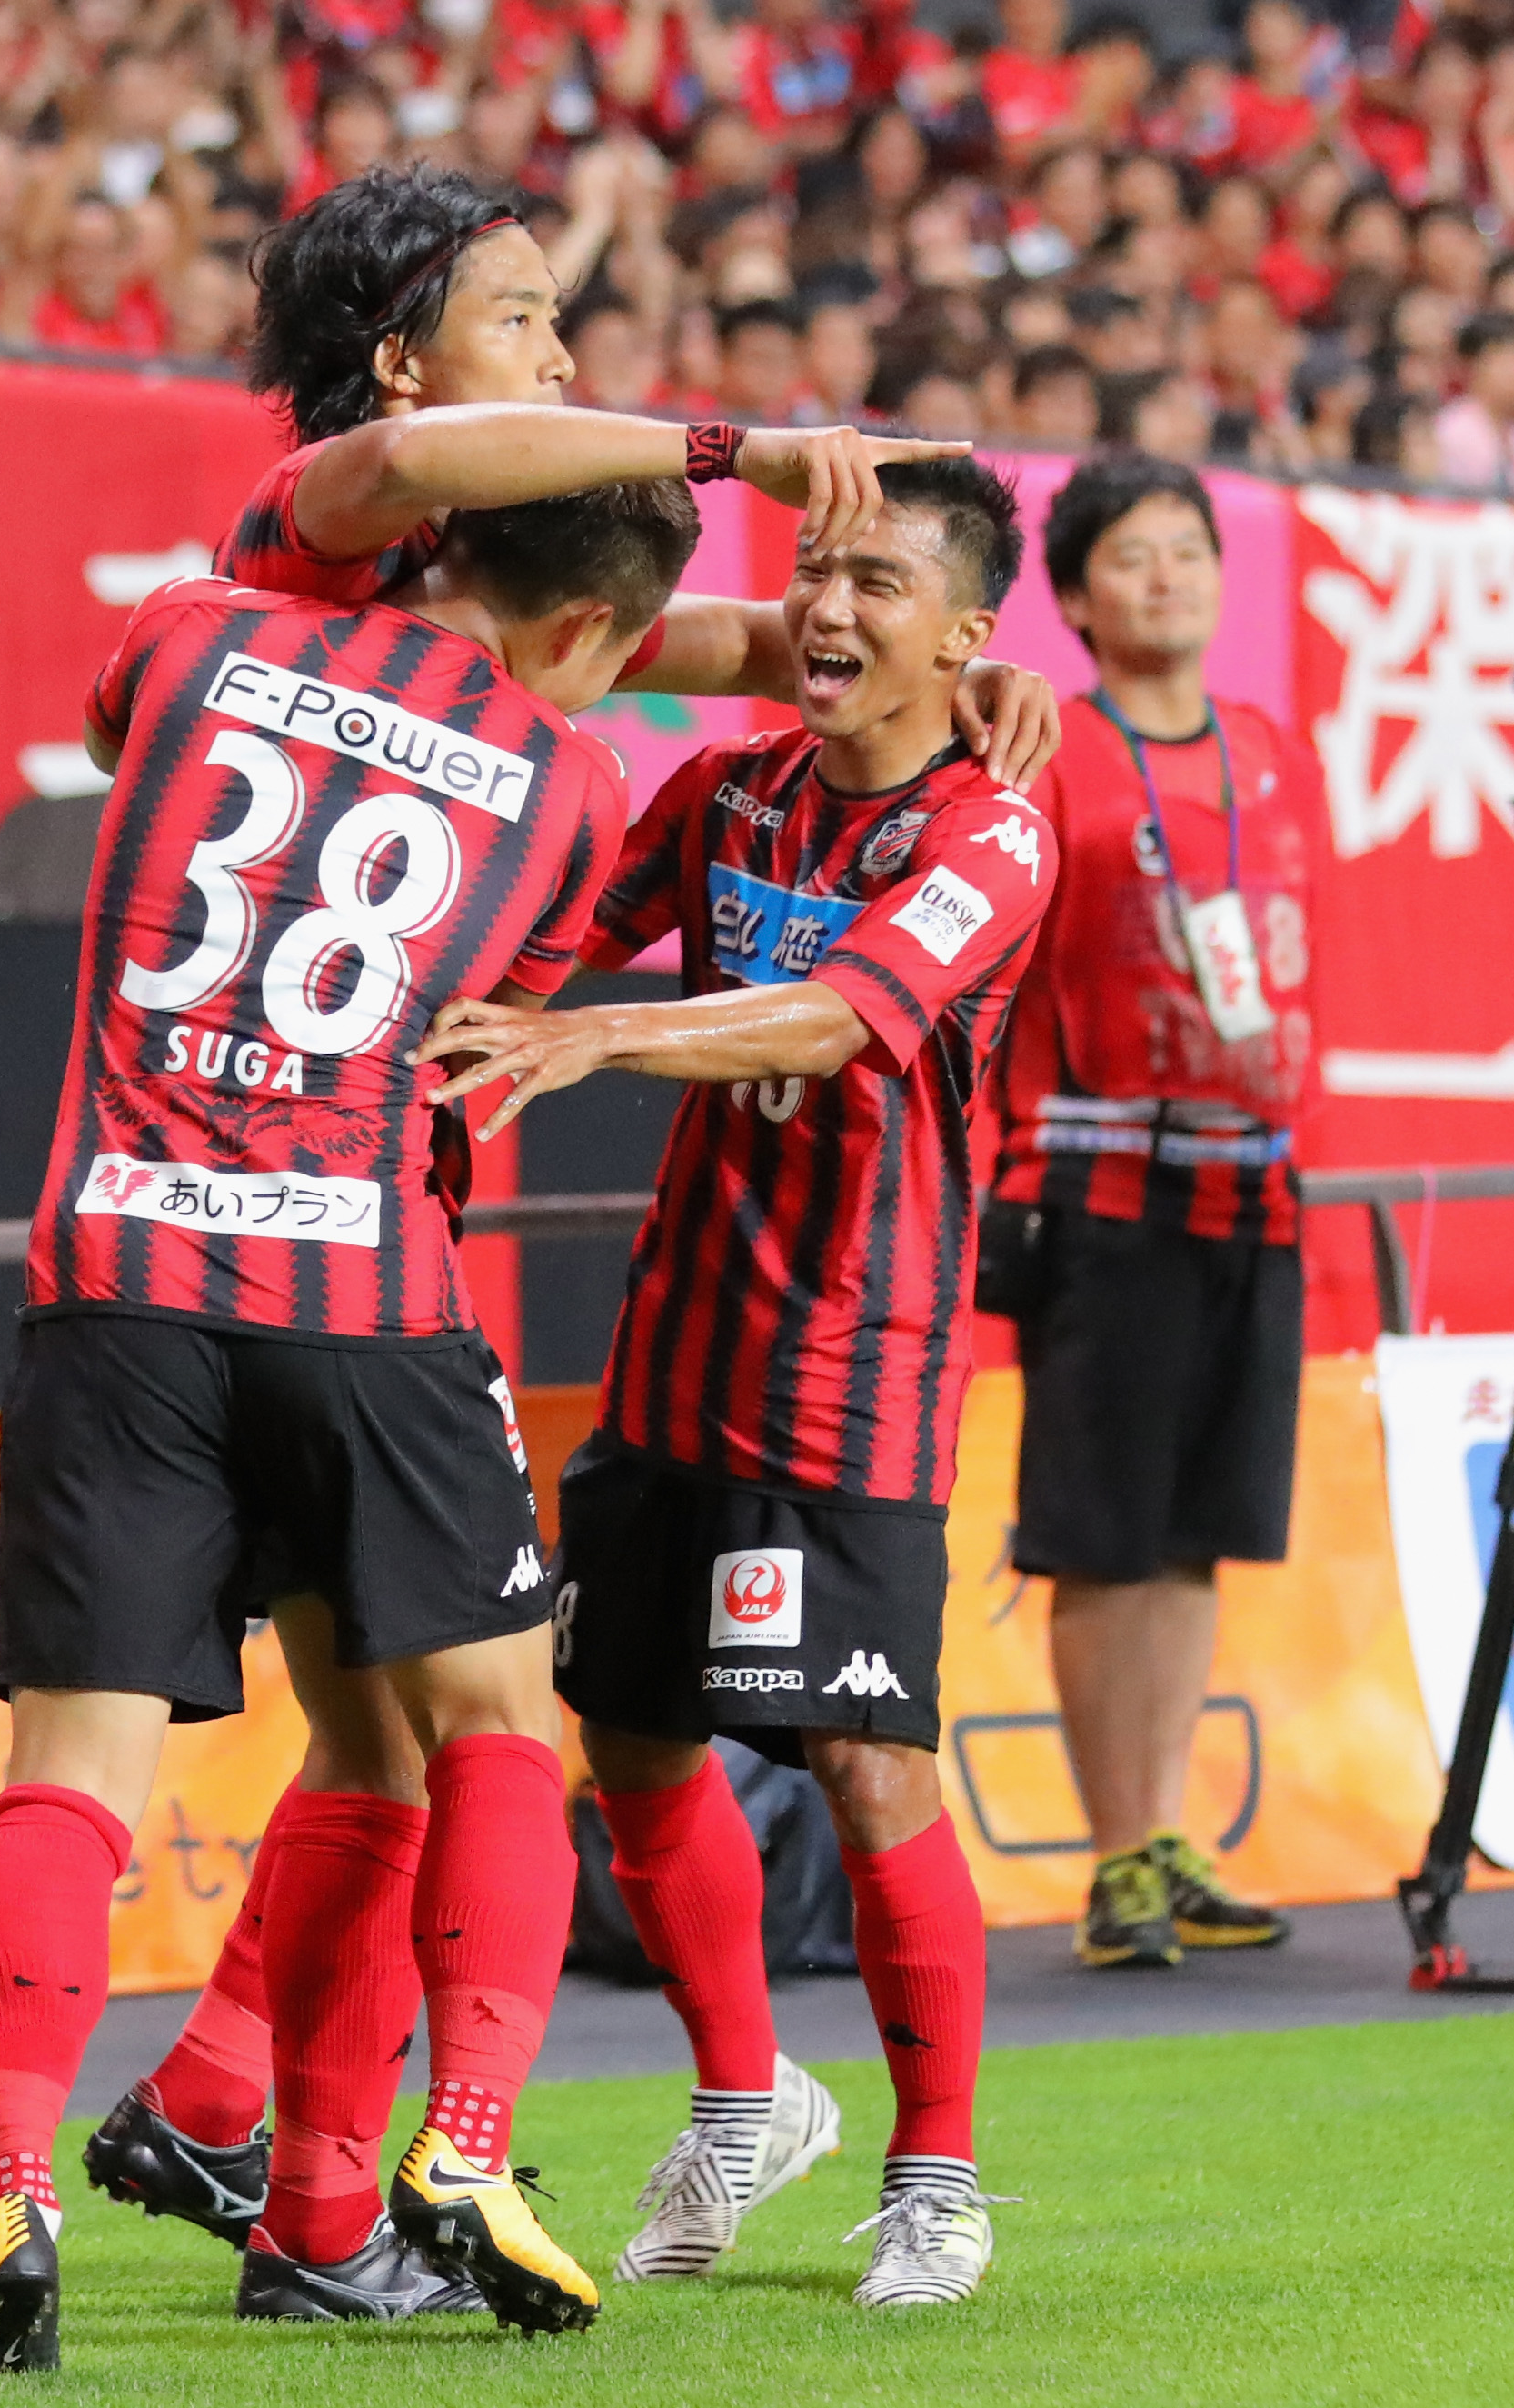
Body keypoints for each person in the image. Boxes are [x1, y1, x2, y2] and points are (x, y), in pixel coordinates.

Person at [75, 161, 1063, 2272]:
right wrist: (752, 452)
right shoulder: (326, 523)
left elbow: (688, 639)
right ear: (402, 360)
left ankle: (271, 2146)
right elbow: (453, 481)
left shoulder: (870, 778)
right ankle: (335, 2137)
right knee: (474, 1731)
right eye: (525, 314)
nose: (563, 349)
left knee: (411, 1735)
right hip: (329, 1243)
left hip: (350, 1242)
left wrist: (919, 652)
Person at [0, 473, 706, 2366]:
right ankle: (463, 2147)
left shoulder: (190, 635)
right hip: (358, 1291)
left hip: (116, 1281)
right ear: (594, 636)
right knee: (491, 1725)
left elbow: (120, 728)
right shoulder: (569, 773)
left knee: (72, 1773)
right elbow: (483, 1018)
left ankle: (14, 2191)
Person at [421, 457, 1050, 2311]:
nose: (830, 609)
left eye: (877, 581)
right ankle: (746, 2093)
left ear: (963, 636)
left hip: (854, 1368)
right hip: (674, 1353)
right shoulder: (726, 792)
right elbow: (538, 942)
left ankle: (937, 2174)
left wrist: (596, 1030)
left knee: (866, 1763)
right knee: (623, 1737)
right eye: (816, 571)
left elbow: (845, 1011)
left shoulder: (991, 831)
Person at [980, 452, 1322, 1972]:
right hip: (1099, 1181)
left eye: (1189, 549)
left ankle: (1166, 1828)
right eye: (1132, 556)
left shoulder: (1266, 745)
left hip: (1254, 1181)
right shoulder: (1054, 751)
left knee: (1194, 1536)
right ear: (1072, 597)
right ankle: (1113, 1849)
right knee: (1101, 1538)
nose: (1169, 575)